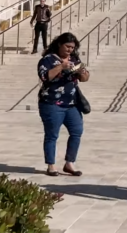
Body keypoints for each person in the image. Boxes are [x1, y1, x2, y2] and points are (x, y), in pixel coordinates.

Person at [37, 32, 90, 176]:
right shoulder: (47, 60)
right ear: (59, 44)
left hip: (72, 103)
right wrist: (61, 67)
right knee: (52, 135)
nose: (70, 50)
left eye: (72, 48)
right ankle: (51, 165)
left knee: (77, 131)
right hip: (51, 103)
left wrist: (82, 73)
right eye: (67, 46)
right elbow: (44, 76)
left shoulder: (74, 59)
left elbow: (85, 78)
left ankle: (69, 163)